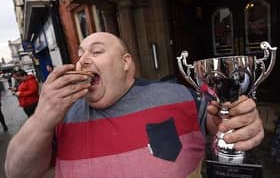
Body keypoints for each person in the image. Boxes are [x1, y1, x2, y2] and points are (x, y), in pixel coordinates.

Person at [5, 32, 264, 178]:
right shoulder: (62, 116)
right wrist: (41, 119)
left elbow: (216, 123)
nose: (82, 61)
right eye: (80, 54)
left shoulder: (177, 94)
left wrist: (236, 121)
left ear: (126, 62)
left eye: (96, 52)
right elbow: (16, 172)